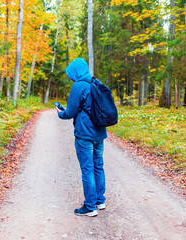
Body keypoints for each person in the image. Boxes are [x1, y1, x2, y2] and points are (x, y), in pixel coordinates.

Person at [56, 58, 107, 217]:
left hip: (85, 134)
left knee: (87, 168)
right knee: (98, 165)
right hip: (99, 133)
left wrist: (61, 113)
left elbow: (70, 112)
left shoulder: (78, 86)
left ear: (75, 72)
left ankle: (90, 207)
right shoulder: (96, 83)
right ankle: (100, 200)